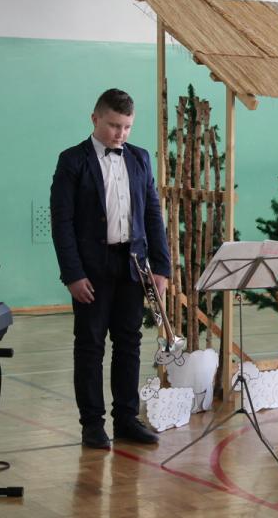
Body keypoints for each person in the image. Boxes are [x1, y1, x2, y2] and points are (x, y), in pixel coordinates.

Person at [50, 88, 171, 449]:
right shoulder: (72, 160)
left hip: (132, 266)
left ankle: (126, 419)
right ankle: (92, 424)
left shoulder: (140, 158)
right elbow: (62, 222)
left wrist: (161, 268)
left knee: (129, 343)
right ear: (95, 118)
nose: (121, 134)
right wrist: (73, 274)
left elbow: (152, 214)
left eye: (127, 127)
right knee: (90, 345)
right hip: (91, 270)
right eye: (114, 125)